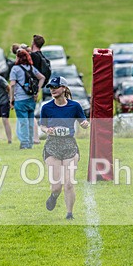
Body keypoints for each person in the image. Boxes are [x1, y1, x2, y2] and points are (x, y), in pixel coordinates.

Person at [40, 77, 89, 220]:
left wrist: (85, 124)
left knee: (69, 183)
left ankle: (69, 214)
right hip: (52, 146)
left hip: (69, 146)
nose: (53, 90)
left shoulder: (74, 106)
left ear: (64, 88)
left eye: (56, 86)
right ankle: (54, 196)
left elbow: (83, 121)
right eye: (51, 87)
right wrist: (46, 130)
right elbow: (42, 125)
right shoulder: (46, 107)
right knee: (56, 186)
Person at [9, 48, 45, 149]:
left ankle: (24, 143)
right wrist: (37, 90)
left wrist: (11, 99)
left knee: (23, 122)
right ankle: (30, 143)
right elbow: (42, 78)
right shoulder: (31, 68)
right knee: (30, 121)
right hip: (30, 99)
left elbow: (12, 85)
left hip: (20, 99)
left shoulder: (15, 69)